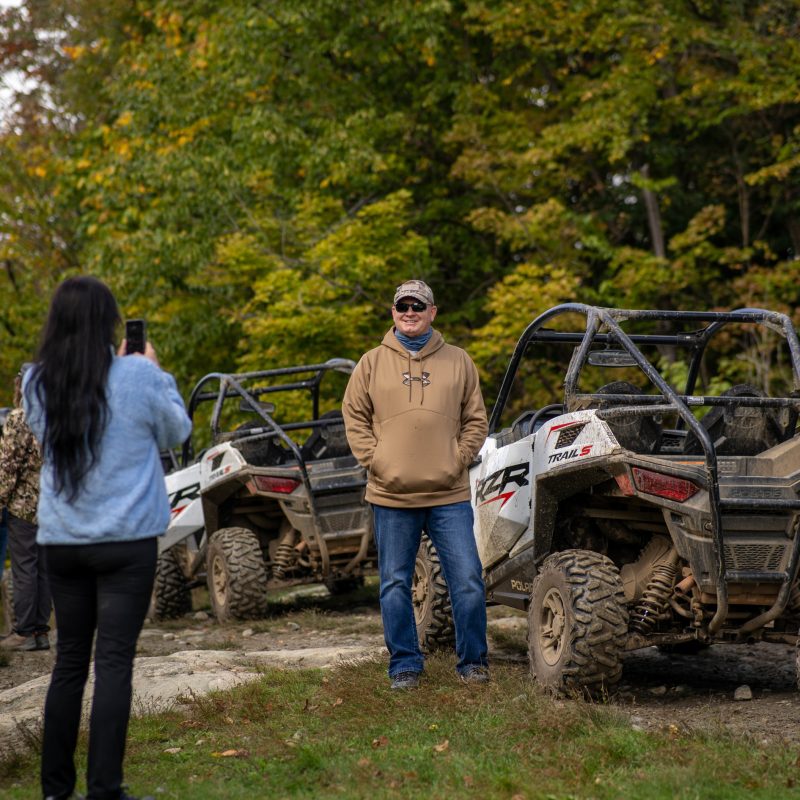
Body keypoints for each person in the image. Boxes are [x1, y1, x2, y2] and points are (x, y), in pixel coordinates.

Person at [23, 276, 192, 800]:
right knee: (114, 661)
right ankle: (105, 789)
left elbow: (41, 435)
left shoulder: (36, 381)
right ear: (110, 324)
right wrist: (154, 371)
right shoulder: (138, 376)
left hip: (62, 541)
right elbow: (177, 433)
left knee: (69, 661)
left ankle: (54, 790)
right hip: (127, 542)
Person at [342, 279, 490, 689]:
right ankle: (405, 665)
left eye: (418, 306)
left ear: (432, 312)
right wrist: (377, 462)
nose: (410, 312)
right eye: (402, 306)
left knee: (468, 580)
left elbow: (476, 419)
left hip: (449, 493)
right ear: (393, 312)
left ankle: (473, 663)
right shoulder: (370, 363)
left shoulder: (459, 361)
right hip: (390, 494)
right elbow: (353, 417)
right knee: (394, 583)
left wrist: (458, 460)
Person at [0, 364, 51, 651]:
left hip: (24, 506)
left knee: (24, 568)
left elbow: (8, 468)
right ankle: (41, 631)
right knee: (44, 569)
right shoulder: (55, 418)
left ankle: (23, 631)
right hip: (51, 505)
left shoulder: (19, 419)